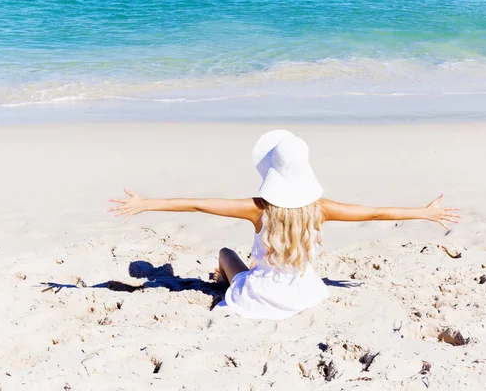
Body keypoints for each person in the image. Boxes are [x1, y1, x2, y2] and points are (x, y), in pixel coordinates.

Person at [108, 130, 460, 320]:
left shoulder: (258, 209)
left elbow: (199, 204)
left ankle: (220, 281)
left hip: (261, 295)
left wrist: (145, 204)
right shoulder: (320, 209)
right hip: (304, 293)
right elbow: (374, 213)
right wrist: (425, 213)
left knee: (225, 252)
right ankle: (224, 281)